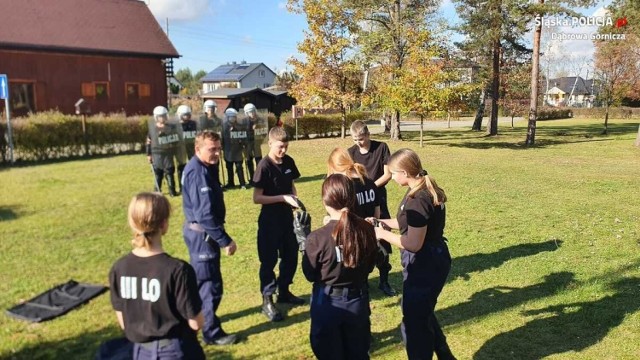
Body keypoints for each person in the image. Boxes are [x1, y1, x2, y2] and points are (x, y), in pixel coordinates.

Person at [369, 148, 456, 360]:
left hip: (425, 263)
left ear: (405, 173)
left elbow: (413, 243)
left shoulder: (419, 199)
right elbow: (403, 222)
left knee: (414, 323)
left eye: (393, 173)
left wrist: (381, 234)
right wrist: (379, 222)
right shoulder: (419, 189)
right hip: (431, 259)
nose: (391, 177)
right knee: (422, 312)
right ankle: (445, 355)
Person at [109, 192, 206, 359]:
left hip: (138, 352)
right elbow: (195, 322)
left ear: (133, 224)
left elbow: (124, 321)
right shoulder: (178, 270)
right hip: (174, 351)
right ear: (164, 224)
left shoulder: (119, 268)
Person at [303, 174, 378, 360]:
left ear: (324, 201)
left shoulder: (317, 238)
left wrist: (303, 243)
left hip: (327, 302)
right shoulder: (367, 230)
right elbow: (369, 266)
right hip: (357, 300)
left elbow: (310, 273)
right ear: (352, 198)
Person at [181, 130, 238, 346]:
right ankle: (211, 333)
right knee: (209, 285)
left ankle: (198, 319)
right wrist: (225, 240)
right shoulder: (199, 173)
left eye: (218, 149)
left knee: (201, 282)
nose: (216, 153)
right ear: (198, 149)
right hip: (203, 236)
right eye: (211, 149)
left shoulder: (205, 167)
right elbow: (205, 215)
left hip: (200, 233)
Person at [252, 126, 305, 322]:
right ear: (271, 143)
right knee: (268, 261)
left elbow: (291, 183)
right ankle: (267, 299)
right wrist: (283, 197)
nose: (283, 150)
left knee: (291, 256)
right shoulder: (263, 166)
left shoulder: (288, 161)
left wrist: (293, 197)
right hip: (269, 221)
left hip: (287, 219)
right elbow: (257, 198)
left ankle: (284, 291)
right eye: (280, 147)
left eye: (286, 146)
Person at [348, 120, 395, 296]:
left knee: (382, 238)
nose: (358, 142)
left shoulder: (381, 147)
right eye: (355, 139)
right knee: (361, 241)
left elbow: (387, 174)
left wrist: (370, 186)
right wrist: (362, 188)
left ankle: (384, 281)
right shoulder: (351, 152)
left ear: (367, 134)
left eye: (361, 138)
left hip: (378, 199)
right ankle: (363, 282)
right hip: (359, 202)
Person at [326, 147, 380, 221]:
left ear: (335, 167)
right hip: (370, 229)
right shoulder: (370, 182)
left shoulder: (342, 188)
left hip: (350, 231)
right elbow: (377, 214)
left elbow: (338, 218)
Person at [147, 106, 185, 197]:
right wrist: (148, 154)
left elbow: (176, 140)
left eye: (164, 116)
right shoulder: (153, 130)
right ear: (156, 117)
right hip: (157, 154)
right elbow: (148, 142)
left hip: (168, 153)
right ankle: (157, 191)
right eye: (161, 116)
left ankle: (172, 190)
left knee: (169, 171)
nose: (163, 118)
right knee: (158, 173)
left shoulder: (171, 128)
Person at [222, 108, 247, 189]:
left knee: (239, 167)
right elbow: (222, 138)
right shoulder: (224, 126)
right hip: (228, 150)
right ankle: (230, 183)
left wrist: (244, 144)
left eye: (234, 116)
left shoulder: (240, 126)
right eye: (231, 117)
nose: (233, 118)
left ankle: (242, 183)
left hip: (238, 150)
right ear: (227, 117)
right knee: (229, 167)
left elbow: (243, 136)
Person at [199, 100, 222, 185]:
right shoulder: (202, 120)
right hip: (205, 145)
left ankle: (216, 181)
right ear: (205, 109)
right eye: (209, 109)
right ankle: (206, 181)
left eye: (212, 109)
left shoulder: (218, 120)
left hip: (215, 144)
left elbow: (220, 131)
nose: (210, 111)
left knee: (215, 164)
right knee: (206, 163)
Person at [242, 103, 266, 184]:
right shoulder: (244, 121)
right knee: (249, 161)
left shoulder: (260, 119)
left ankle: (260, 178)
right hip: (248, 143)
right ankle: (252, 178)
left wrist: (258, 127)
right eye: (249, 112)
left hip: (256, 143)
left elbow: (264, 131)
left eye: (252, 111)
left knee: (258, 160)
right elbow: (241, 132)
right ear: (246, 113)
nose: (252, 113)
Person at [177, 105, 197, 192]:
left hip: (192, 148)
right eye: (184, 115)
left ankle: (195, 183)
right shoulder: (176, 126)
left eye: (188, 114)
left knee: (194, 165)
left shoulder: (193, 124)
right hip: (181, 149)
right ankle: (182, 186)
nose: (186, 116)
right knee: (181, 167)